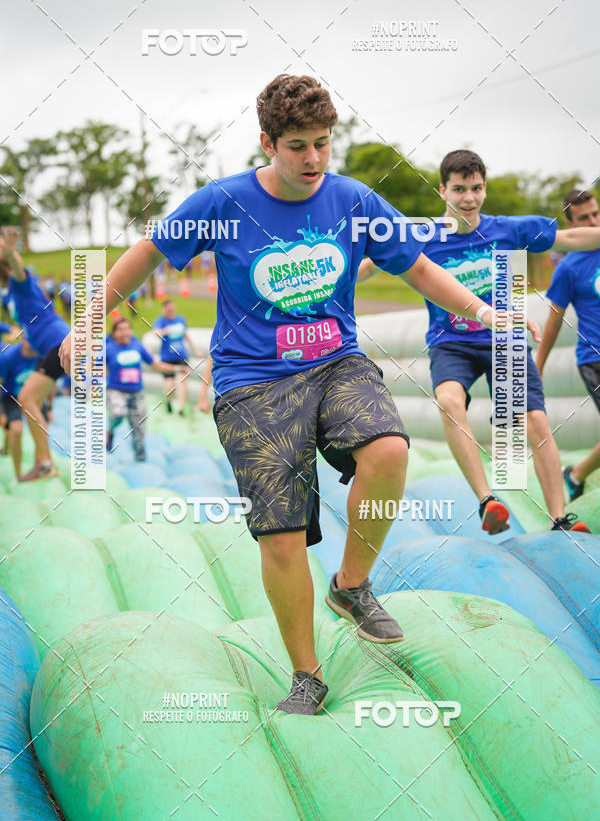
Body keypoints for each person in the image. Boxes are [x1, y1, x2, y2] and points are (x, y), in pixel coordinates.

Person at [60, 74, 524, 716]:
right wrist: (88, 320)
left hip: (336, 362)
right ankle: (307, 673)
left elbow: (416, 267)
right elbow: (145, 255)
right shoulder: (222, 202)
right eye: (298, 146)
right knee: (280, 537)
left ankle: (352, 584)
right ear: (267, 142)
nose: (313, 159)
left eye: (323, 144)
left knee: (389, 449)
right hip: (251, 382)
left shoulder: (353, 200)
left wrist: (486, 310)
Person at [360, 151, 600, 535]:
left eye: (475, 188)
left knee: (534, 419)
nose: (468, 198)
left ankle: (559, 518)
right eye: (459, 189)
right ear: (442, 191)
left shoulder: (507, 229)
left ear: (485, 189)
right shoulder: (425, 236)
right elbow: (370, 264)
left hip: (504, 339)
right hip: (452, 342)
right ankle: (488, 501)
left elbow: (570, 237)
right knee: (449, 401)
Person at [536, 188, 600, 501]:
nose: (594, 222)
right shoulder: (568, 268)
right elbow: (553, 322)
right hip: (594, 359)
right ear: (572, 225)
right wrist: (538, 367)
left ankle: (576, 474)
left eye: (596, 214)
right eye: (585, 218)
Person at [0, 228, 70, 481]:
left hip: (59, 343)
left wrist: (10, 251)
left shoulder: (20, 284)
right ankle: (45, 462)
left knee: (26, 398)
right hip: (53, 346)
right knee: (32, 401)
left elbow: (18, 269)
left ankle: (45, 464)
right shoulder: (12, 295)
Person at [105, 317, 174, 460]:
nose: (124, 333)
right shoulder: (108, 349)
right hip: (116, 391)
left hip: (137, 393)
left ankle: (140, 459)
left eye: (127, 329)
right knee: (118, 413)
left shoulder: (137, 346)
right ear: (114, 333)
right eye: (120, 330)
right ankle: (110, 431)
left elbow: (155, 364)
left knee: (140, 430)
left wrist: (176, 368)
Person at [152, 300, 202, 415]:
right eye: (168, 309)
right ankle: (169, 401)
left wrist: (195, 350)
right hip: (167, 358)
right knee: (170, 386)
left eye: (172, 308)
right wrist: (165, 331)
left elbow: (186, 335)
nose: (171, 311)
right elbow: (156, 333)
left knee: (182, 380)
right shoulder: (161, 321)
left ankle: (181, 408)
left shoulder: (180, 319)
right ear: (164, 310)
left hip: (181, 356)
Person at [0, 335, 38, 479]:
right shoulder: (7, 357)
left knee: (42, 427)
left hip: (32, 395)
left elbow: (49, 383)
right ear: (22, 339)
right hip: (10, 396)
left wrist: (49, 408)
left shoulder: (42, 355)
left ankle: (43, 464)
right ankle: (18, 474)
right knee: (15, 429)